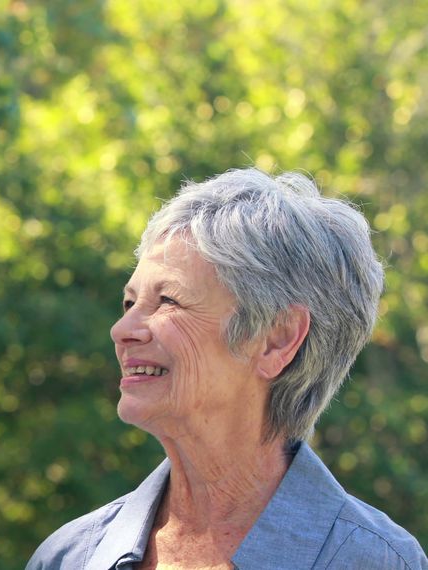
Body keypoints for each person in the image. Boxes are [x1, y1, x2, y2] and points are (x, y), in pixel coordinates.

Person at [28, 169, 427, 569]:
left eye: (168, 300)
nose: (122, 330)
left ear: (277, 340)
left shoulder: (376, 561)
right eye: (130, 303)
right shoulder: (69, 557)